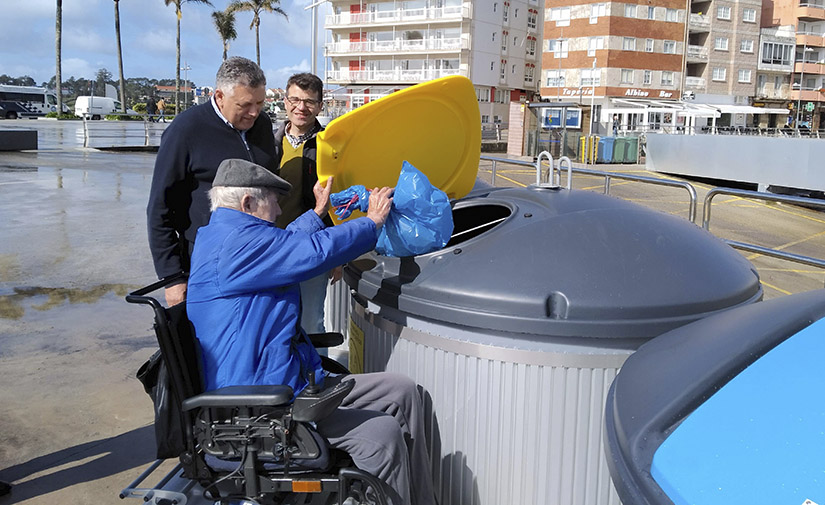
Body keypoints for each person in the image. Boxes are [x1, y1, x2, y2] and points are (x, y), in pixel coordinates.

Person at [187, 159, 436, 505]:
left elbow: (285, 243)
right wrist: (371, 222)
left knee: (402, 391)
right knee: (382, 434)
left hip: (290, 386)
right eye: (273, 201)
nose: (277, 209)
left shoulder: (228, 235)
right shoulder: (235, 246)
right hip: (261, 411)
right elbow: (309, 252)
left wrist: (318, 213)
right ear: (247, 204)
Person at [146, 56, 279, 307]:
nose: (254, 112)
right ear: (219, 96)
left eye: (260, 103)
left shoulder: (261, 123)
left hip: (257, 257)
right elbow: (159, 208)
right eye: (245, 104)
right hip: (205, 260)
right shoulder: (185, 130)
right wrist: (172, 277)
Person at [273, 72, 337, 343]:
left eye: (310, 101)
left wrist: (339, 255)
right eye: (295, 99)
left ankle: (316, 381)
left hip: (315, 247)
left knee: (311, 320)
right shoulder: (267, 145)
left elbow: (342, 200)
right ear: (285, 101)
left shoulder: (332, 146)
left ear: (320, 106)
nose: (301, 107)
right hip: (273, 246)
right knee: (274, 319)